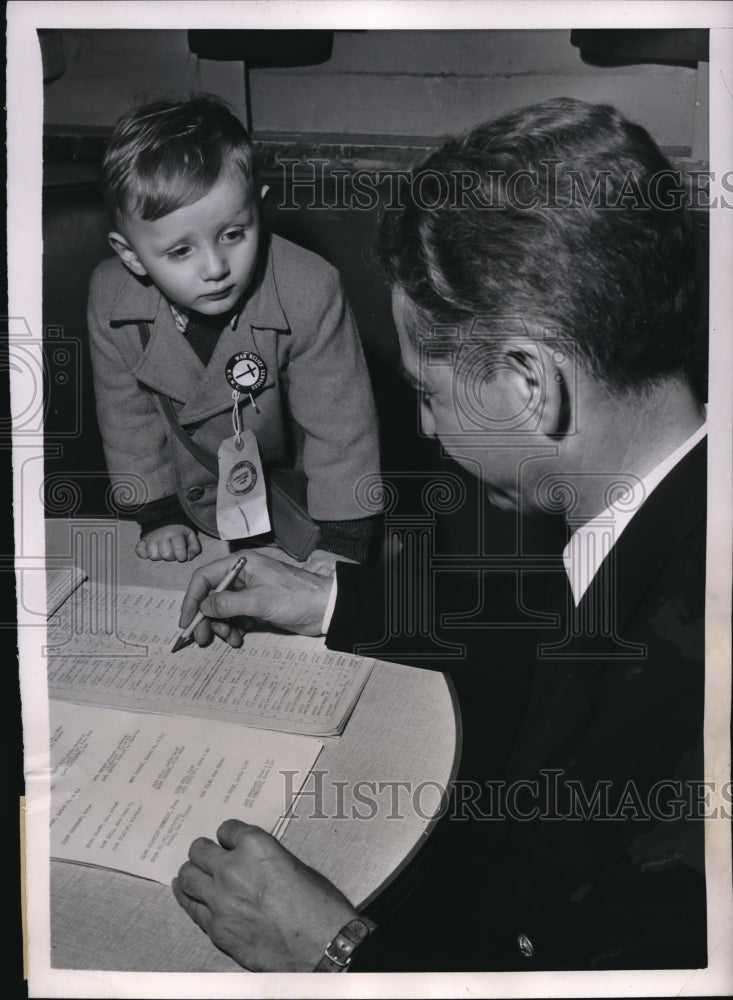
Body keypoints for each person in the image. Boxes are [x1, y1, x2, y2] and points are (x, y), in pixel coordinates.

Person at [170, 98, 708, 972]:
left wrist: (333, 948)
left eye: (427, 393)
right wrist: (333, 600)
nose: (423, 429)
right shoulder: (670, 505)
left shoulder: (682, 722)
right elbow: (551, 640)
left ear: (530, 384)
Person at [87, 94, 381, 565]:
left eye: (232, 234)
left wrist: (341, 542)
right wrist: (158, 513)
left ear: (258, 212)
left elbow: (342, 430)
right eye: (180, 251)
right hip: (185, 509)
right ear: (129, 255)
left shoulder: (310, 287)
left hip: (298, 509)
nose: (215, 268)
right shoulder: (109, 297)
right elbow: (127, 417)